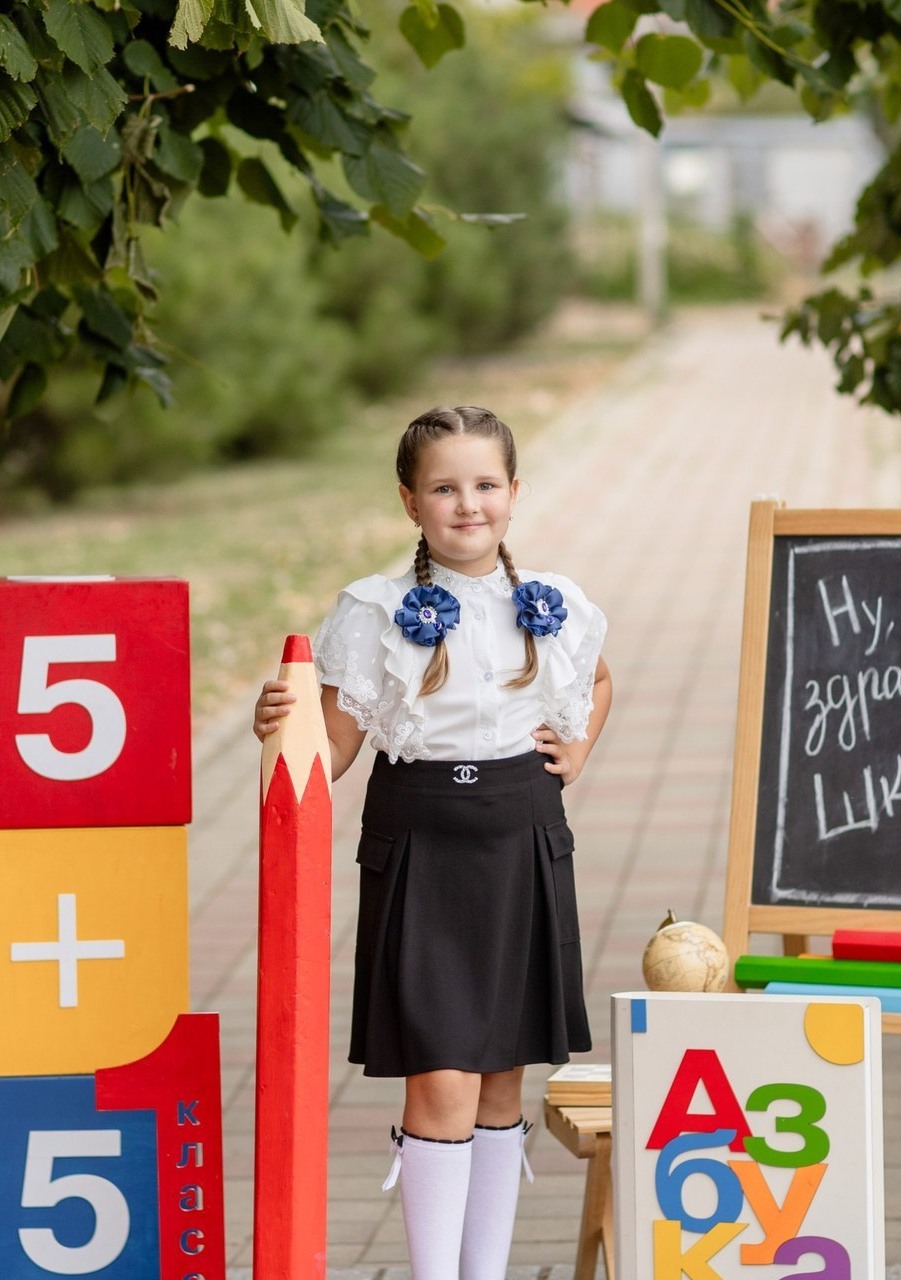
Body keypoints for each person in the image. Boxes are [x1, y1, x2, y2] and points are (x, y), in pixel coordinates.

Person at [253, 405, 612, 1280]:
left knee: (501, 1077)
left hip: (523, 836)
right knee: (443, 1075)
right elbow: (334, 748)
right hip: (422, 844)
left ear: (514, 492)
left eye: (485, 485)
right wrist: (283, 729)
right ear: (411, 501)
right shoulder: (372, 610)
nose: (468, 504)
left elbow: (599, 678)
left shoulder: (556, 602)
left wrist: (578, 748)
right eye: (445, 488)